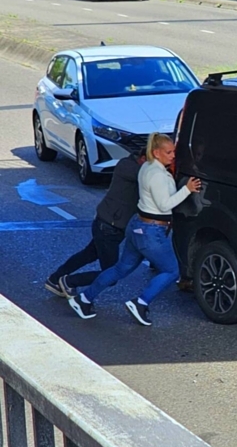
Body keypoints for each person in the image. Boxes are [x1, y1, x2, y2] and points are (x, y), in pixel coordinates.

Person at [68, 133, 201, 326]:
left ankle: (84, 299)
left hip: (137, 225)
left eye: (174, 151)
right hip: (151, 231)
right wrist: (187, 189)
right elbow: (165, 205)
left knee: (120, 268)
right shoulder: (157, 175)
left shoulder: (147, 167)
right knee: (172, 270)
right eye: (169, 152)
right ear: (156, 153)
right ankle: (141, 303)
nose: (173, 155)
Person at [45, 152, 145, 298]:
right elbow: (147, 177)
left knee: (89, 254)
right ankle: (69, 281)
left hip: (109, 223)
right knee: (112, 274)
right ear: (144, 157)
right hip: (109, 226)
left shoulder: (131, 165)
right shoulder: (130, 167)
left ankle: (55, 279)